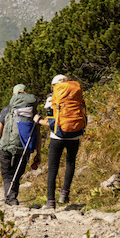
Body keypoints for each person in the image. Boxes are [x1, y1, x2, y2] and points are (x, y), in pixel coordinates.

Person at [44, 73, 87, 208]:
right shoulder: (76, 95)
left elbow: (51, 121)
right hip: (75, 135)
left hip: (57, 136)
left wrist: (38, 121)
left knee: (53, 168)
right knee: (70, 163)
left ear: (54, 86)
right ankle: (64, 194)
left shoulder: (51, 98)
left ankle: (51, 201)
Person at [0, 84, 40, 207]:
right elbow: (37, 133)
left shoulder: (6, 110)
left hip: (6, 146)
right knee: (16, 173)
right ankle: (12, 197)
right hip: (23, 147)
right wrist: (38, 153)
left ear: (14, 95)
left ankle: (10, 198)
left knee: (6, 173)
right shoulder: (33, 112)